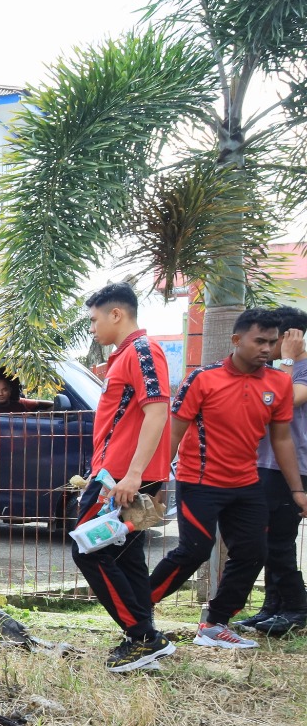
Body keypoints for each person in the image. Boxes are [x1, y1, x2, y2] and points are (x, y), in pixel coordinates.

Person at [149, 309, 307, 648]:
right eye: (259, 341)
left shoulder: (279, 382)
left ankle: (214, 623)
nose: (267, 348)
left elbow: (281, 439)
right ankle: (137, 609)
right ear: (236, 340)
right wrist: (159, 481)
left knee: (254, 552)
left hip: (247, 484)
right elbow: (173, 434)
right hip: (200, 481)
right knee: (193, 550)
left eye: (272, 341)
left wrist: (297, 489)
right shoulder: (203, 378)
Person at [70, 283, 176, 672]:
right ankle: (144, 635)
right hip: (114, 474)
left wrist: (132, 476)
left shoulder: (142, 351)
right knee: (127, 555)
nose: (93, 328)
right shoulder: (126, 355)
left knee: (88, 549)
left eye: (95, 319)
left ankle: (143, 637)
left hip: (121, 479)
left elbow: (158, 412)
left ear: (117, 314)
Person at [236, 307, 307, 637]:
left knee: (279, 541)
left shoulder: (300, 369)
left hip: (292, 469)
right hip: (263, 465)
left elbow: (286, 401)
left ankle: (296, 608)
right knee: (266, 540)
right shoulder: (271, 370)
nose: (266, 347)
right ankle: (272, 607)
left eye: (272, 339)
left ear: (291, 337)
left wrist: (289, 360)